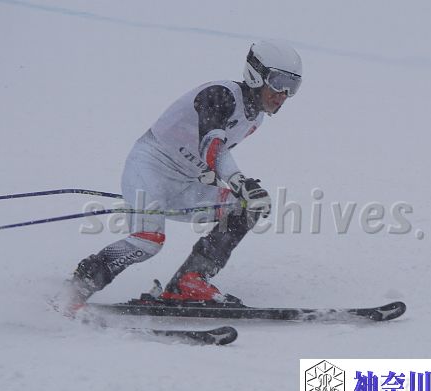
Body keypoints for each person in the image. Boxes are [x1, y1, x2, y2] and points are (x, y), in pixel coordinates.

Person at [66, 40, 302, 310]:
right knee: (147, 242)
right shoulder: (220, 94)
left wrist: (212, 177)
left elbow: (210, 153)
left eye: (292, 87)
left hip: (185, 185)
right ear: (256, 74)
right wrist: (239, 181)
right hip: (149, 170)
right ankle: (78, 287)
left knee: (247, 206)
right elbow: (211, 145)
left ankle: (190, 280)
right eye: (279, 82)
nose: (283, 94)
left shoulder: (254, 119)